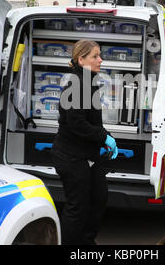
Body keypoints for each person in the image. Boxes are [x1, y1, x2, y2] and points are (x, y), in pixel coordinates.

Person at [50, 40, 118, 245]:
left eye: (100, 55)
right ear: (81, 59)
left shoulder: (88, 82)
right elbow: (76, 124)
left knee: (98, 199)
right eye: (95, 56)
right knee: (78, 207)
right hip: (70, 156)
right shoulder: (78, 85)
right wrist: (103, 137)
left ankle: (86, 242)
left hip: (86, 154)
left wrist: (107, 137)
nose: (100, 60)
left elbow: (92, 121)